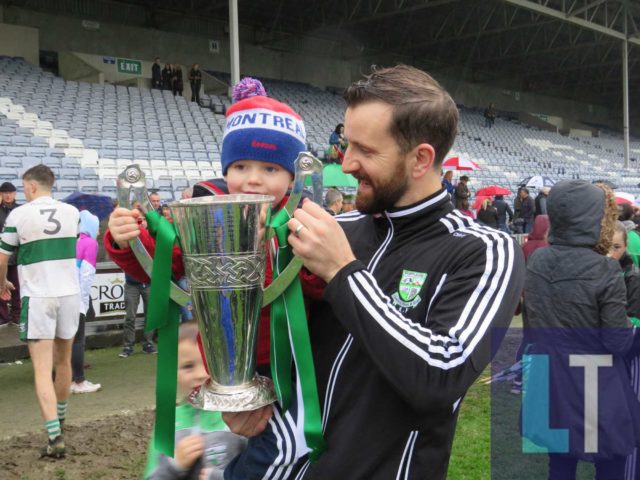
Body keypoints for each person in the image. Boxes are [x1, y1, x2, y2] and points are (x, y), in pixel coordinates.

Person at [222, 65, 525, 479]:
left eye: (365, 151)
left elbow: (441, 374)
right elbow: (270, 332)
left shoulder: (483, 250)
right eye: (346, 146)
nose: (345, 164)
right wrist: (243, 394)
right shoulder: (330, 230)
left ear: (420, 159)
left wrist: (344, 272)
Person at [105, 82, 323, 376]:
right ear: (226, 170)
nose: (253, 179)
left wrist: (290, 242)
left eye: (270, 169)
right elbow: (163, 264)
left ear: (292, 177)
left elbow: (322, 287)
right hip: (221, 363)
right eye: (241, 167)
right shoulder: (205, 215)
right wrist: (127, 239)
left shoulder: (303, 220)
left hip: (290, 365)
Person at [523, 181, 640, 480]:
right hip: (593, 383)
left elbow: (533, 329)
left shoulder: (538, 259)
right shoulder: (604, 269)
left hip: (551, 380)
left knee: (560, 465)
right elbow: (617, 340)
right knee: (609, 464)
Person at [0, 165, 81, 459]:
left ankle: (54, 436)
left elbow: (2, 256)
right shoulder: (72, 212)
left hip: (39, 297)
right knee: (64, 363)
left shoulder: (19, 215)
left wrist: (2, 283)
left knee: (41, 368)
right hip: (69, 294)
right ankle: (60, 421)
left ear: (31, 186)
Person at [143, 321, 246, 479]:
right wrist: (174, 465)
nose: (200, 374)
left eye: (208, 364)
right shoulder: (167, 424)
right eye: (188, 366)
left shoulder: (242, 417)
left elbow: (261, 471)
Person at [70, 210, 102, 394]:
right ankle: (78, 381)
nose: (98, 232)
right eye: (97, 227)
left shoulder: (72, 240)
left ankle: (66, 377)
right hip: (76, 298)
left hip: (63, 295)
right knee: (78, 341)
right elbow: (87, 275)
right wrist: (83, 303)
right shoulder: (90, 243)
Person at [119, 272, 155, 358]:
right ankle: (128, 346)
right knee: (130, 317)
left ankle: (148, 344)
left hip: (149, 283)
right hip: (131, 285)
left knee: (150, 316)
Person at [0, 181, 20, 327]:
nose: (8, 195)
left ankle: (17, 315)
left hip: (17, 255)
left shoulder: (21, 210)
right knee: (1, 286)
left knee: (17, 288)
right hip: (1, 255)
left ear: (15, 194)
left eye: (10, 192)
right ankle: (3, 317)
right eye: (5, 192)